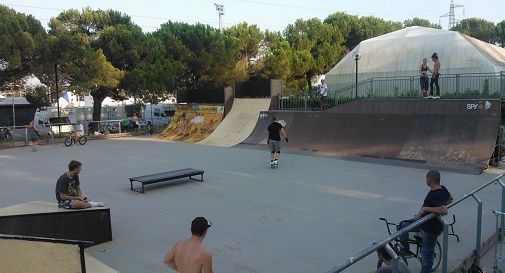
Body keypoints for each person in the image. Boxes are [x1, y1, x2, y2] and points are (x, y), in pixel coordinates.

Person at [396, 170, 452, 273]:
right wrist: (435, 207)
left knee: (427, 254)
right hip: (422, 221)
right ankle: (405, 250)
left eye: (426, 178)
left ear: (430, 179)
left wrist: (426, 209)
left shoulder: (436, 194)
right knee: (401, 226)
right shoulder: (443, 189)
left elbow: (444, 210)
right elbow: (450, 199)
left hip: (429, 229)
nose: (425, 180)